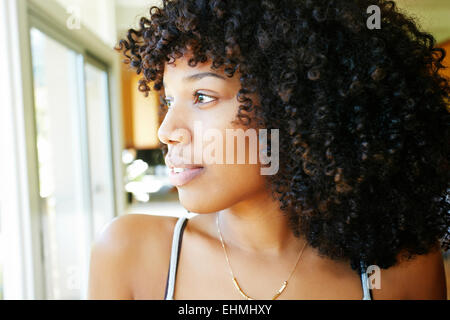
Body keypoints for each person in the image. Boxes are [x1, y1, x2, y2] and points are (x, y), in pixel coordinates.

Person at [88, 0, 449, 299]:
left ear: (294, 106)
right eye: (168, 99)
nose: (167, 131)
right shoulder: (131, 254)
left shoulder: (402, 267)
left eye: (202, 96)